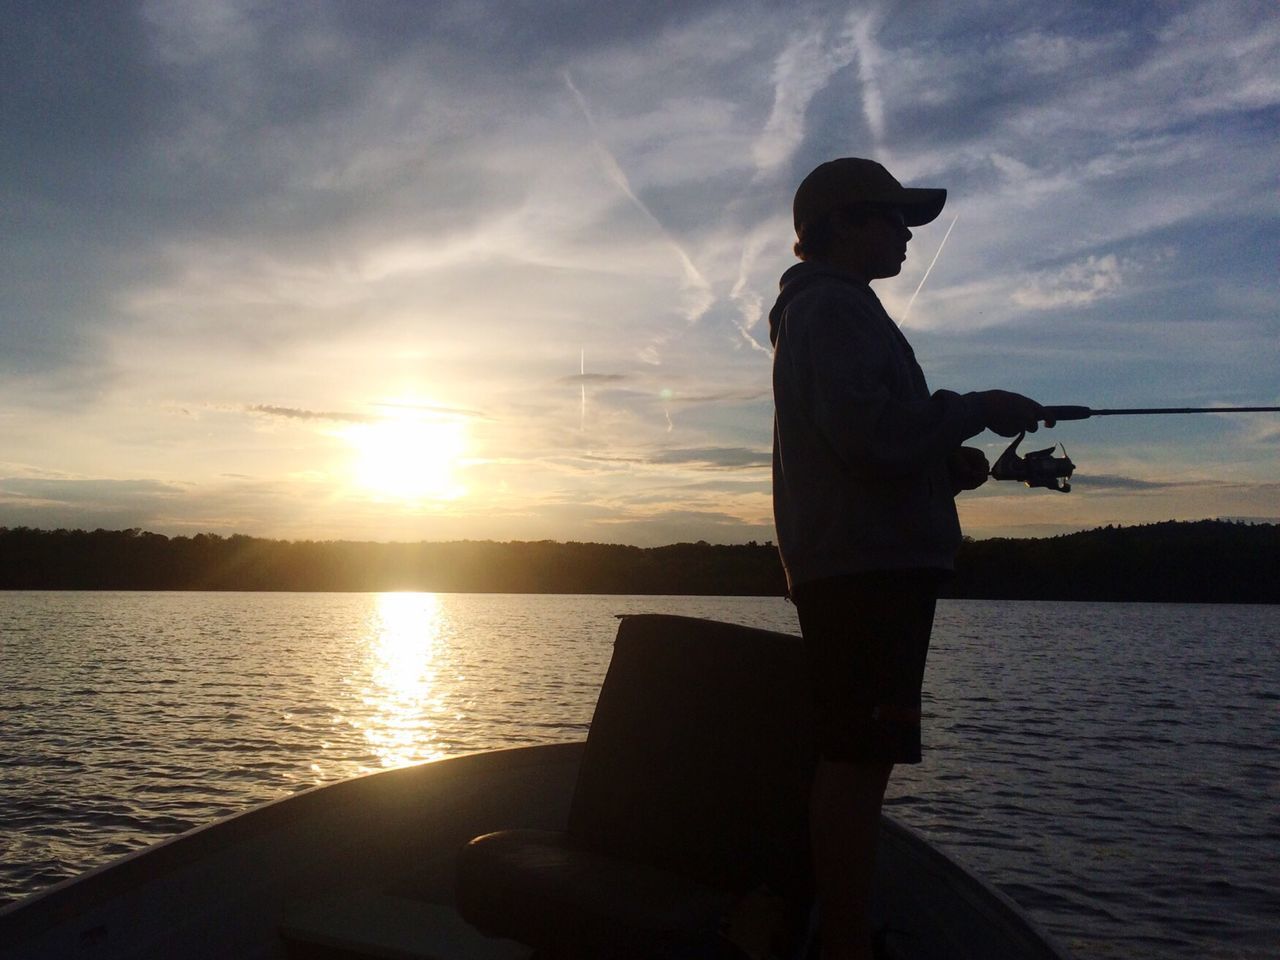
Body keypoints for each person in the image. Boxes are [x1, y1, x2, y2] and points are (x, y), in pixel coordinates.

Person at [769, 157, 1052, 960]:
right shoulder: (835, 309)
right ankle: (847, 945)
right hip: (868, 574)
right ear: (844, 224)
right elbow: (870, 435)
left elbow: (870, 446)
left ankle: (838, 931)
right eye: (893, 221)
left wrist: (941, 465)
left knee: (855, 757)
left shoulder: (828, 311)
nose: (905, 238)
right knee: (859, 763)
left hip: (860, 566)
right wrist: (975, 410)